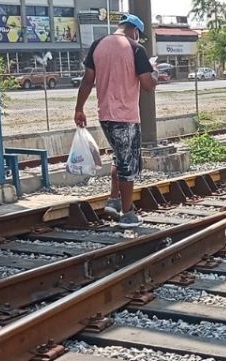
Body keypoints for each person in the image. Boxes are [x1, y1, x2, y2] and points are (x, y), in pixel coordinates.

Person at [74, 13, 157, 228]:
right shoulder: (135, 48)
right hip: (126, 116)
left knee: (119, 158)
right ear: (135, 31)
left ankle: (114, 199)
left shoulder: (97, 45)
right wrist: (154, 70)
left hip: (106, 115)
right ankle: (127, 214)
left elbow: (87, 81)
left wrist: (79, 109)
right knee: (127, 164)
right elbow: (148, 85)